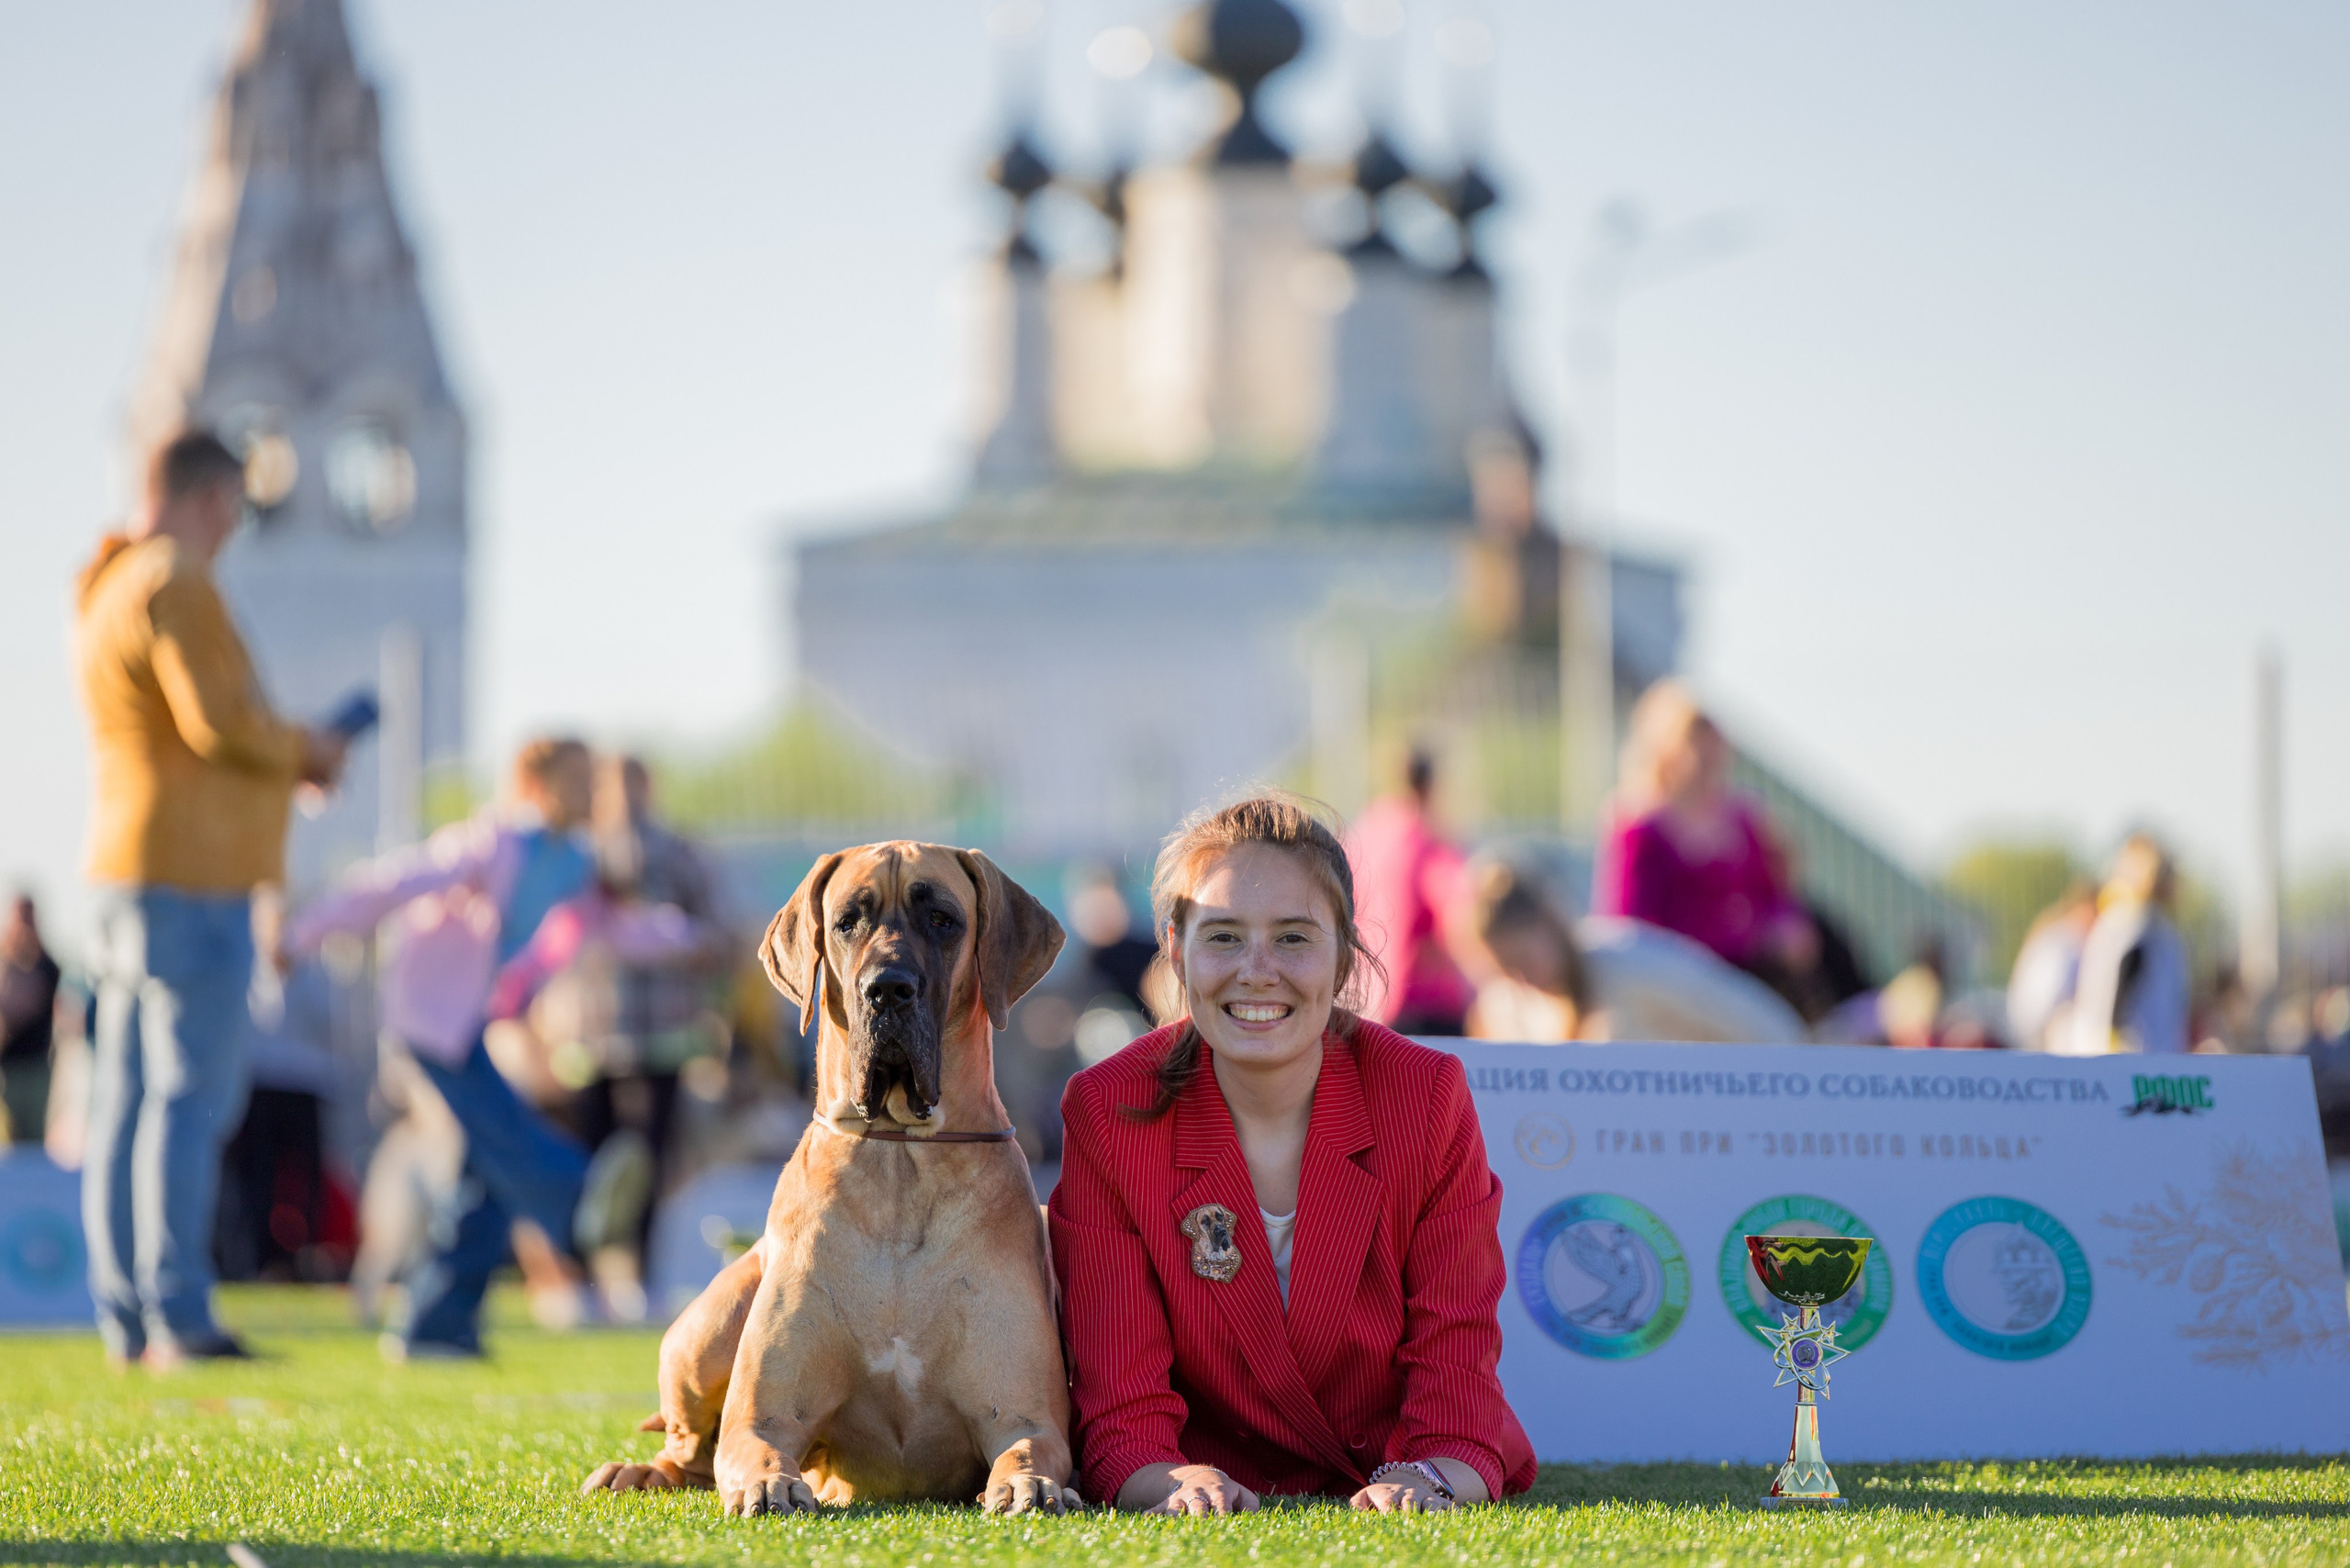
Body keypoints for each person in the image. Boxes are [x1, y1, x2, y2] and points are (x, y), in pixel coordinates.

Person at [1049, 794, 1536, 1513]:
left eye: (1293, 937)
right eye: (1222, 937)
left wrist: (1427, 1479)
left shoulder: (1425, 1095)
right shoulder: (1108, 1112)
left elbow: (1456, 1373)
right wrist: (1172, 1481)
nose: (1256, 970)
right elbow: (1122, 1414)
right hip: (1204, 1473)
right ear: (1176, 952)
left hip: (1403, 1463)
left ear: (1345, 957)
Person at [72, 430, 349, 1367]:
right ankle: (180, 1312)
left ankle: (128, 1315)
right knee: (189, 1104)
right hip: (190, 877)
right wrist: (306, 749)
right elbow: (219, 722)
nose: (234, 525)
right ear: (204, 495)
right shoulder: (177, 580)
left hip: (119, 867)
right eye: (232, 504)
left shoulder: (108, 582)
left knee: (125, 1102)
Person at [281, 737, 599, 1358]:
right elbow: (391, 884)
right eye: (577, 779)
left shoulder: (572, 861)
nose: (591, 793)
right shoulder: (490, 843)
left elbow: (596, 930)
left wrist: (698, 942)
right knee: (510, 1138)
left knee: (483, 1179)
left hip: (470, 1027)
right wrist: (303, 934)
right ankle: (583, 1192)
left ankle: (434, 1324)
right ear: (534, 783)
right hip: (427, 1025)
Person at [1594, 681, 1821, 1008]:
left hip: (1752, 978)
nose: (1704, 758)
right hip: (1679, 987)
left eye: (1710, 743)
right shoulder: (1638, 828)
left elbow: (1777, 896)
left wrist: (1786, 929)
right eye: (1693, 743)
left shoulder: (1746, 820)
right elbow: (1627, 928)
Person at [1344, 749, 1475, 1035]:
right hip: (1427, 998)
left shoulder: (1369, 829)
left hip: (1373, 995)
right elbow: (1459, 912)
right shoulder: (1430, 838)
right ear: (1432, 784)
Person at [2063, 834, 2191, 1057]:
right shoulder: (2140, 922)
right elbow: (2125, 976)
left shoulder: (2121, 919)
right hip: (2131, 1057)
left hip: (2116, 1054)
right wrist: (2114, 1038)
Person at [1, 894, 62, 1146]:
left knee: (33, 1139)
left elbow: (27, 1001)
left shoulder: (47, 965)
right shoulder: (5, 964)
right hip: (8, 1067)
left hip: (36, 1065)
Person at [2008, 882, 2096, 1052]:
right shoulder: (2063, 944)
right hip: (2045, 1041)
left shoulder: (2055, 936)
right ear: (2083, 908)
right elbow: (2050, 1000)